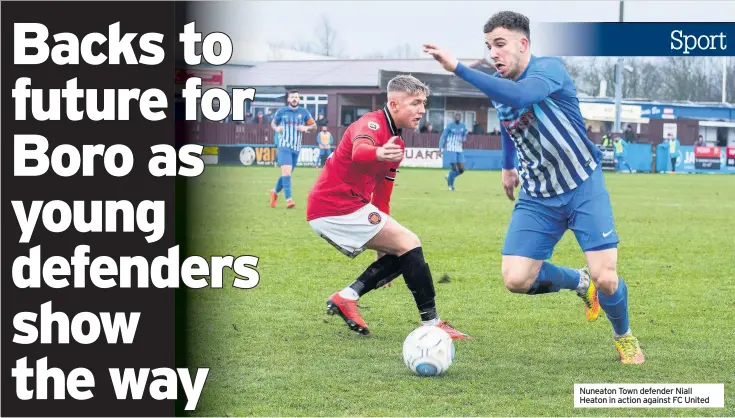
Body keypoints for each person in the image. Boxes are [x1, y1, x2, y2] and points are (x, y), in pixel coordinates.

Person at [424, 10, 644, 364]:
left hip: (581, 184)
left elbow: (522, 98)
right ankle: (578, 282)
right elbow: (511, 119)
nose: (494, 53)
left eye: (500, 44)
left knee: (607, 278)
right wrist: (508, 167)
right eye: (488, 46)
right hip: (538, 195)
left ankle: (625, 336)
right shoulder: (502, 86)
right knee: (516, 279)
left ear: (523, 44)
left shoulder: (548, 70)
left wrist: (460, 68)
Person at [306, 75, 470, 340]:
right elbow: (360, 151)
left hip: (348, 206)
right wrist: (379, 153)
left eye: (423, 103)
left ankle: (346, 297)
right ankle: (432, 324)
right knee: (409, 242)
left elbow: (382, 196)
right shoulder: (371, 123)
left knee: (403, 250)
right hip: (334, 206)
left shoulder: (398, 143)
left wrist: (383, 247)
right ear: (393, 104)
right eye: (415, 103)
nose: (422, 110)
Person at [269, 90, 316, 209]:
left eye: (296, 97)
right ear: (288, 100)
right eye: (292, 97)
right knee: (286, 172)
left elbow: (314, 127)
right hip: (284, 146)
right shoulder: (282, 111)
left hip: (296, 147)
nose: (294, 99)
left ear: (299, 100)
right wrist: (277, 128)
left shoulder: (304, 112)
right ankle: (289, 200)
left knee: (287, 173)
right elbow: (273, 124)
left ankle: (274, 192)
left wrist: (306, 128)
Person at [439, 112, 469, 191]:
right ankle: (450, 186)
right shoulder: (449, 126)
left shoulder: (463, 126)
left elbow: (464, 136)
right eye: (456, 116)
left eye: (459, 116)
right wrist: (440, 148)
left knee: (461, 169)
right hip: (451, 148)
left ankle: (449, 176)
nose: (458, 117)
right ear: (454, 117)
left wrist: (464, 137)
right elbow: (443, 137)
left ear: (461, 118)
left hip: (459, 149)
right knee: (454, 168)